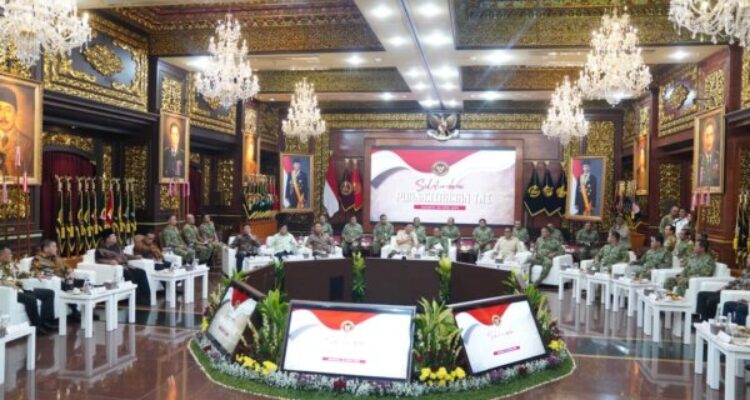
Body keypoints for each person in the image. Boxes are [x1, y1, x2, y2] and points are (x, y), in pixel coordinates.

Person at [0, 247, 56, 334]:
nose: (11, 255)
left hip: (22, 288)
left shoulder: (11, 264)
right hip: (11, 292)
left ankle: (46, 322)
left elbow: (20, 273)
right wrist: (8, 283)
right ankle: (37, 327)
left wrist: (35, 274)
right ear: (1, 255)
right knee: (31, 299)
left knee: (49, 293)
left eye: (11, 253)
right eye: (9, 254)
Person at [96, 230, 151, 305]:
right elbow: (98, 260)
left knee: (141, 272)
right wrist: (109, 262)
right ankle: (136, 298)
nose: (115, 237)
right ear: (107, 239)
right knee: (129, 274)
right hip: (118, 268)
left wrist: (135, 257)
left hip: (126, 266)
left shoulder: (116, 246)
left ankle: (146, 297)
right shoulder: (101, 249)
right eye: (113, 236)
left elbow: (124, 255)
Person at [696, 254, 750, 322]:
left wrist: (728, 290)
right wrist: (724, 288)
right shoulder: (746, 271)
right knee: (701, 294)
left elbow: (745, 287)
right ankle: (701, 318)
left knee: (712, 300)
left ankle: (709, 321)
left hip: (735, 294)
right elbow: (735, 282)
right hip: (728, 291)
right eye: (747, 258)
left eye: (749, 258)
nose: (747, 260)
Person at [0, 87, 32, 176]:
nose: (3, 116)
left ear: (15, 114)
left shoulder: (27, 144)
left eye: (8, 110)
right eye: (0, 109)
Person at [698, 117, 721, 188]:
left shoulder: (719, 157)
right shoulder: (698, 160)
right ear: (702, 138)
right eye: (706, 135)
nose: (709, 139)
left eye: (711, 135)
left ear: (715, 137)